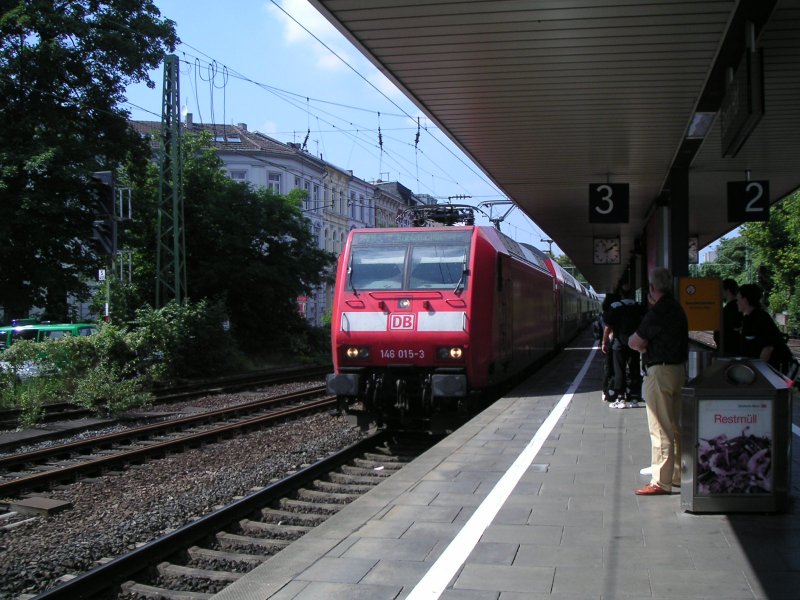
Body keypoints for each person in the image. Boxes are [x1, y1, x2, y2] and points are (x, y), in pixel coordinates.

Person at [628, 267, 688, 496]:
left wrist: (643, 346)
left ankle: (661, 482)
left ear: (652, 288)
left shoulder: (658, 311)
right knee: (674, 425)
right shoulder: (677, 308)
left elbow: (635, 342)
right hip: (678, 371)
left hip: (660, 373)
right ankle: (677, 474)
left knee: (660, 427)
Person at [736, 283, 794, 375]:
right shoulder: (748, 318)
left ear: (745, 300)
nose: (737, 302)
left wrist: (758, 373)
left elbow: (768, 348)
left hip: (777, 368)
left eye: (738, 299)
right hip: (766, 368)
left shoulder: (760, 318)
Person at [604, 284, 644, 408]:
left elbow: (608, 327)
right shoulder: (637, 306)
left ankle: (620, 398)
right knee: (634, 369)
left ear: (620, 293)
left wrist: (604, 342)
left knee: (619, 371)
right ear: (631, 292)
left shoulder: (614, 306)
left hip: (619, 344)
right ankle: (634, 398)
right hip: (634, 343)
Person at [713, 278, 742, 356]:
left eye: (721, 290)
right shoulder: (733, 306)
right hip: (728, 349)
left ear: (727, 291)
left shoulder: (732, 307)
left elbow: (736, 326)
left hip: (729, 350)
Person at [599, 292, 620, 403]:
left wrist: (603, 342)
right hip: (617, 342)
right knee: (617, 368)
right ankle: (616, 392)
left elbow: (604, 329)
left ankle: (605, 391)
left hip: (608, 344)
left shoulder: (604, 315)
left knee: (607, 368)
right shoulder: (618, 312)